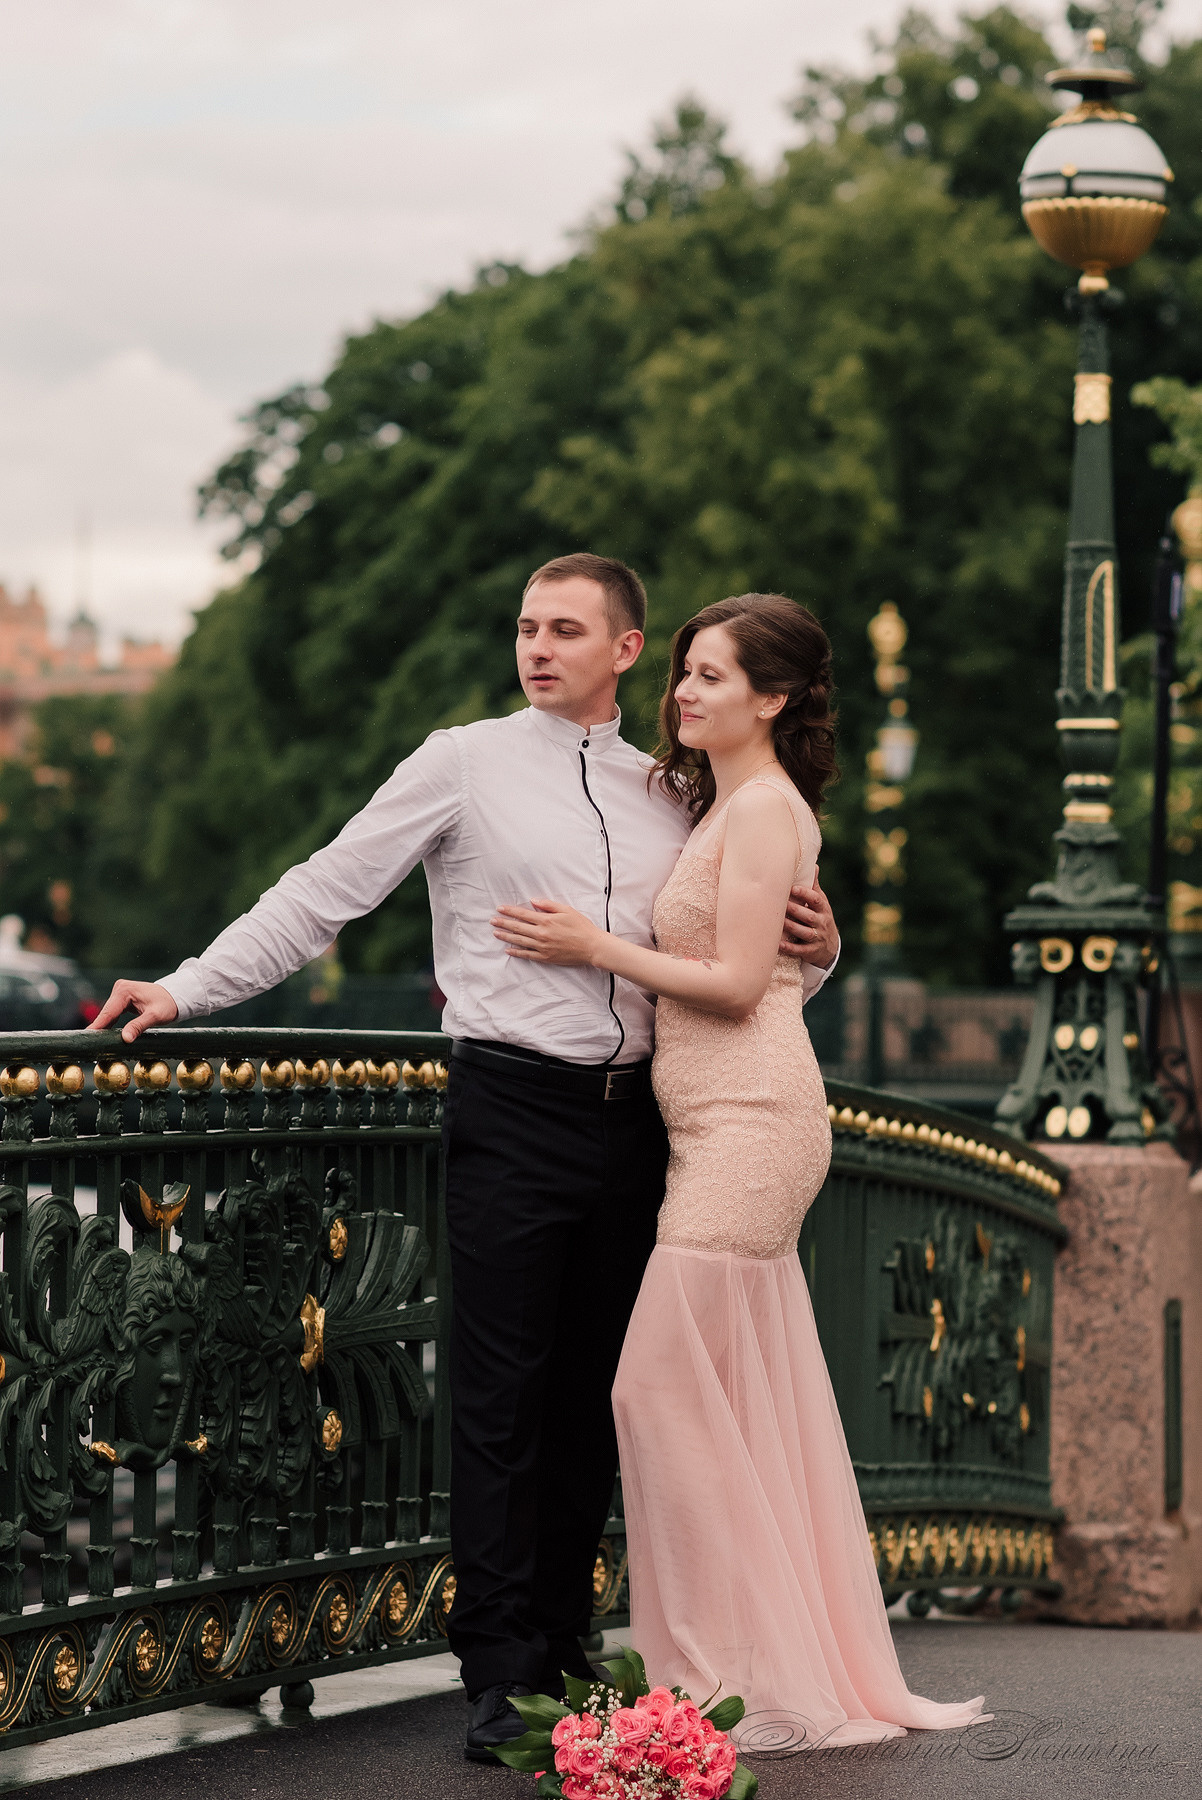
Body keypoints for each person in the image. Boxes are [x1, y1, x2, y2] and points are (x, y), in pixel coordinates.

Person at [88, 554, 840, 1762]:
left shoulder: (678, 787)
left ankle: (568, 1650)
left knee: (595, 1401)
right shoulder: (463, 762)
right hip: (511, 1105)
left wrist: (830, 936)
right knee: (495, 1404)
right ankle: (496, 1675)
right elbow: (322, 893)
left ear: (627, 650)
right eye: (525, 628)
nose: (536, 648)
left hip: (647, 1121)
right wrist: (183, 988)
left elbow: (741, 938)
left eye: (565, 630)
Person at [492, 592, 988, 1750]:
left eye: (710, 676)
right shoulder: (718, 804)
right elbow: (769, 963)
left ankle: (717, 1682)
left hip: (754, 1124)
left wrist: (591, 946)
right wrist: (818, 950)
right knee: (726, 1402)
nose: (683, 694)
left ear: (771, 696)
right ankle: (741, 1672)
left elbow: (728, 983)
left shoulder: (764, 810)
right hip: (707, 1122)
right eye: (681, 673)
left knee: (651, 1390)